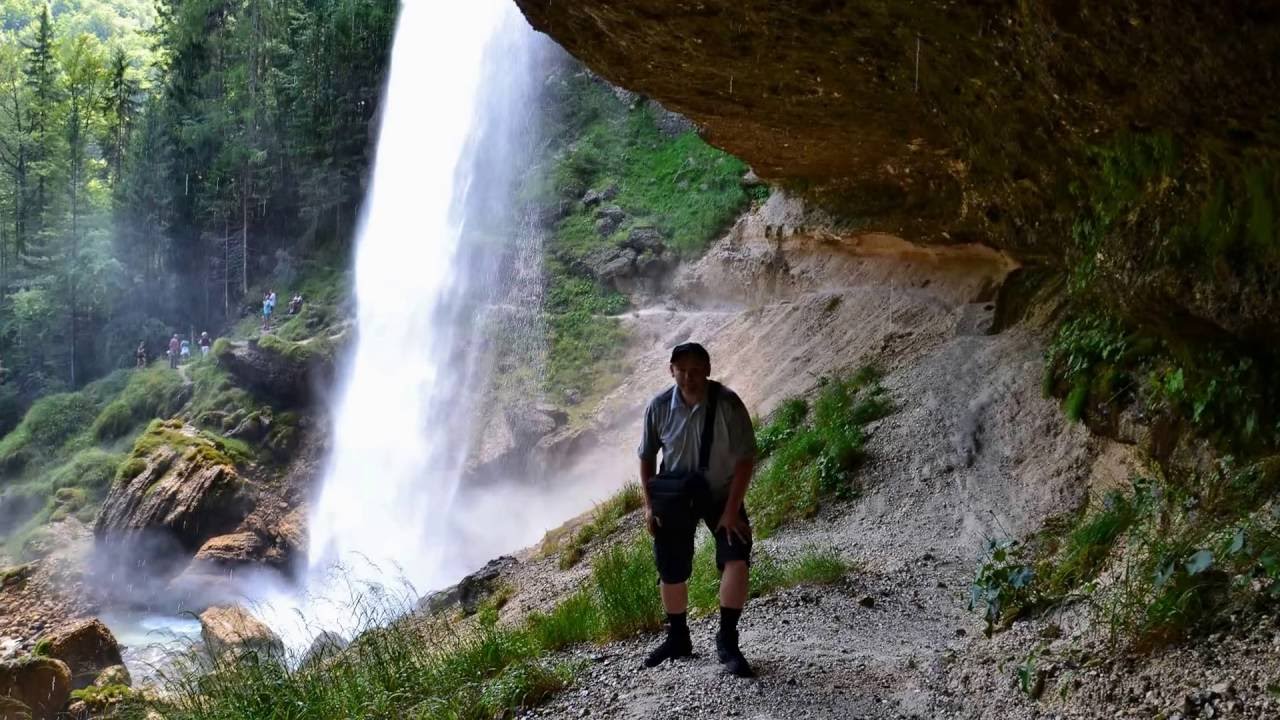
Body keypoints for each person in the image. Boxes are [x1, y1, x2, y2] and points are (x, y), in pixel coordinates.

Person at [638, 342, 758, 677]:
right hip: (674, 493)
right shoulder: (659, 407)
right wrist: (649, 507)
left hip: (720, 492)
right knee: (670, 565)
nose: (689, 377)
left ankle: (727, 641)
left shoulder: (728, 404)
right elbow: (646, 457)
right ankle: (678, 638)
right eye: (682, 370)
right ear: (671, 370)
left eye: (695, 370)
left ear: (707, 369)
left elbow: (746, 459)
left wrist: (732, 511)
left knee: (736, 554)